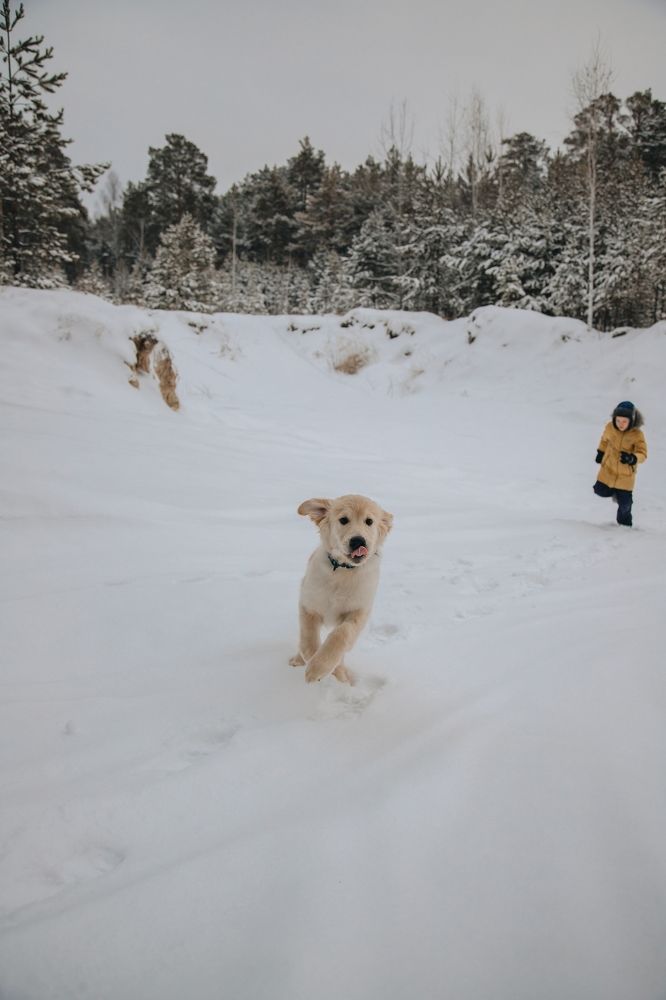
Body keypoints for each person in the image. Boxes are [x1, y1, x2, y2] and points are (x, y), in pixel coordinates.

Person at [593, 400, 647, 527]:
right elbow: (604, 440)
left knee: (625, 506)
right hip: (608, 469)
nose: (620, 424)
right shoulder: (610, 427)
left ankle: (625, 527)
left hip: (625, 475)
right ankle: (615, 493)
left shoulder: (637, 435)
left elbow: (643, 453)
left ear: (631, 420)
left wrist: (632, 458)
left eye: (624, 421)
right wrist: (601, 452)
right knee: (599, 490)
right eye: (618, 420)